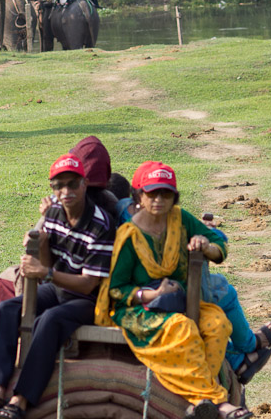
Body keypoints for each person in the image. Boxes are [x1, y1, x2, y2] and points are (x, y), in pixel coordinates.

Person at [95, 161, 251, 419]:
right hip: (137, 309)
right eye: (151, 193)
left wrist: (205, 245)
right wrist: (153, 294)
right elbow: (117, 290)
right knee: (183, 328)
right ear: (138, 196)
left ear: (174, 198)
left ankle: (200, 402)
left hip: (179, 302)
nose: (158, 199)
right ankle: (218, 402)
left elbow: (218, 241)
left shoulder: (181, 219)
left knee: (218, 323)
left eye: (165, 194)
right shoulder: (128, 235)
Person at [0, 154, 114, 419]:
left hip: (88, 299)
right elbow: (48, 266)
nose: (65, 191)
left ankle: (20, 401)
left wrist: (45, 271)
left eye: (72, 184)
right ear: (52, 188)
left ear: (84, 184)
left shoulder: (101, 225)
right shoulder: (53, 214)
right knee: (7, 309)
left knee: (50, 320)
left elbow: (89, 284)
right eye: (59, 186)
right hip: (57, 288)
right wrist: (43, 245)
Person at [113, 192, 271, 385]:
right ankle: (245, 348)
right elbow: (217, 239)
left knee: (215, 316)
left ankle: (238, 357)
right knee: (224, 291)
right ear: (139, 197)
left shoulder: (111, 213)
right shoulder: (136, 222)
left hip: (145, 295)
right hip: (161, 297)